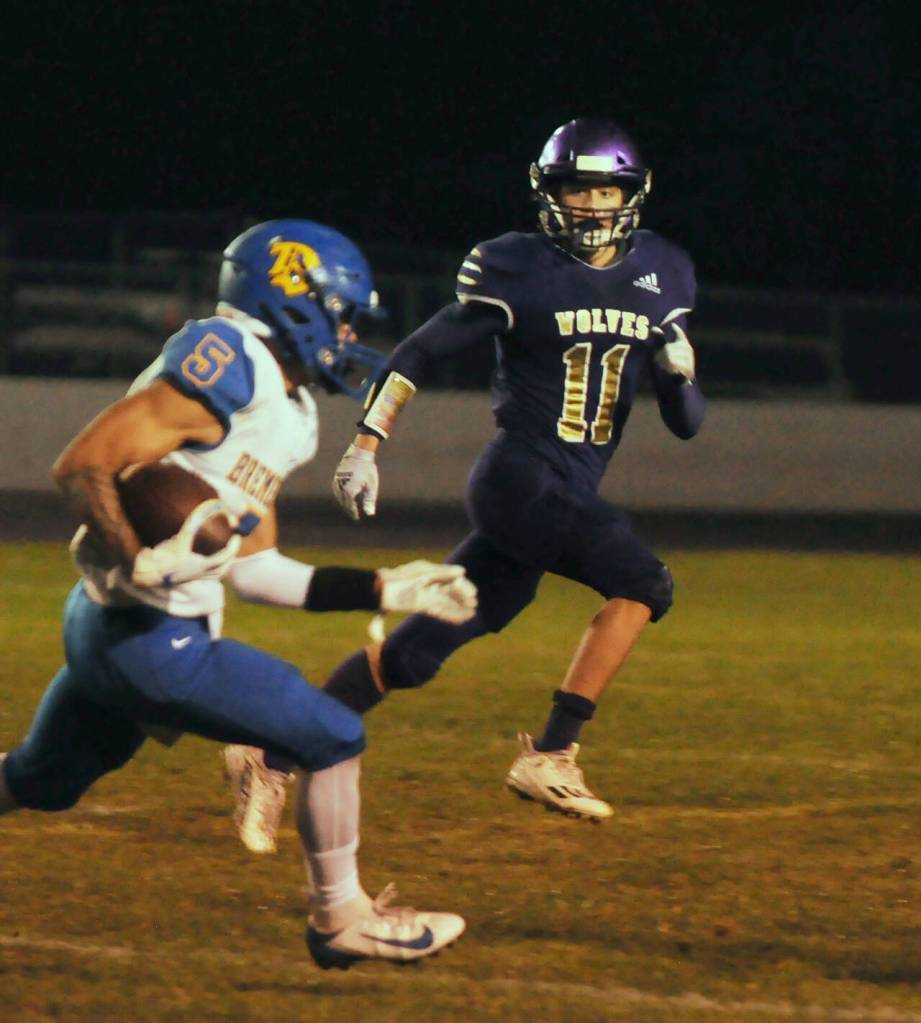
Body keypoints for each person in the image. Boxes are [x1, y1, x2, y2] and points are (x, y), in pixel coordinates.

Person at [0, 219, 475, 970]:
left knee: (41, 780)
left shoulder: (290, 412)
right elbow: (83, 463)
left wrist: (388, 586)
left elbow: (257, 571)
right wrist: (137, 561)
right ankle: (342, 920)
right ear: (292, 299)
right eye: (340, 314)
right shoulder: (230, 362)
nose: (349, 334)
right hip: (153, 644)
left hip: (108, 630)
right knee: (333, 735)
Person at [227, 116, 707, 850]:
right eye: (575, 190)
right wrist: (367, 442)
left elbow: (686, 424)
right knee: (645, 583)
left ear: (629, 196)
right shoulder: (517, 266)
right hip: (521, 480)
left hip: (561, 492)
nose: (589, 205)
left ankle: (268, 756)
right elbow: (418, 353)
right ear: (549, 194)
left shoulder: (664, 272)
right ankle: (553, 752)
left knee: (414, 655)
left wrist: (679, 377)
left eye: (603, 191)